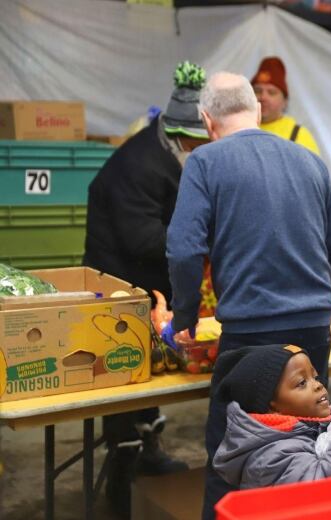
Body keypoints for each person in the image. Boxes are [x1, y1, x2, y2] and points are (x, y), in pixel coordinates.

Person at [165, 72, 331, 519]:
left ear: (207, 120)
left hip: (252, 337)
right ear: (254, 108)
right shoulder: (309, 161)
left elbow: (184, 249)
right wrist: (320, 294)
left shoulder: (205, 162)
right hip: (312, 329)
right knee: (306, 447)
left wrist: (186, 317)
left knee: (230, 456)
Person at [83, 61, 208, 517]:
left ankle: (149, 450)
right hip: (117, 286)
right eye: (198, 142)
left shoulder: (170, 154)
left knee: (149, 380)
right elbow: (142, 239)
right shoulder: (140, 164)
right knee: (122, 381)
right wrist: (203, 239)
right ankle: (122, 479)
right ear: (177, 135)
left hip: (150, 284)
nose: (202, 148)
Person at [212, 344, 331, 489]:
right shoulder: (270, 456)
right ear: (272, 405)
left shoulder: (303, 429)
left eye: (315, 377)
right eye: (301, 383)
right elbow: (325, 483)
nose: (318, 385)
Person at [250, 56, 320, 155]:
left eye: (272, 92)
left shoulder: (299, 135)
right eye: (257, 91)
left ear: (285, 101)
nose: (263, 97)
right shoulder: (236, 128)